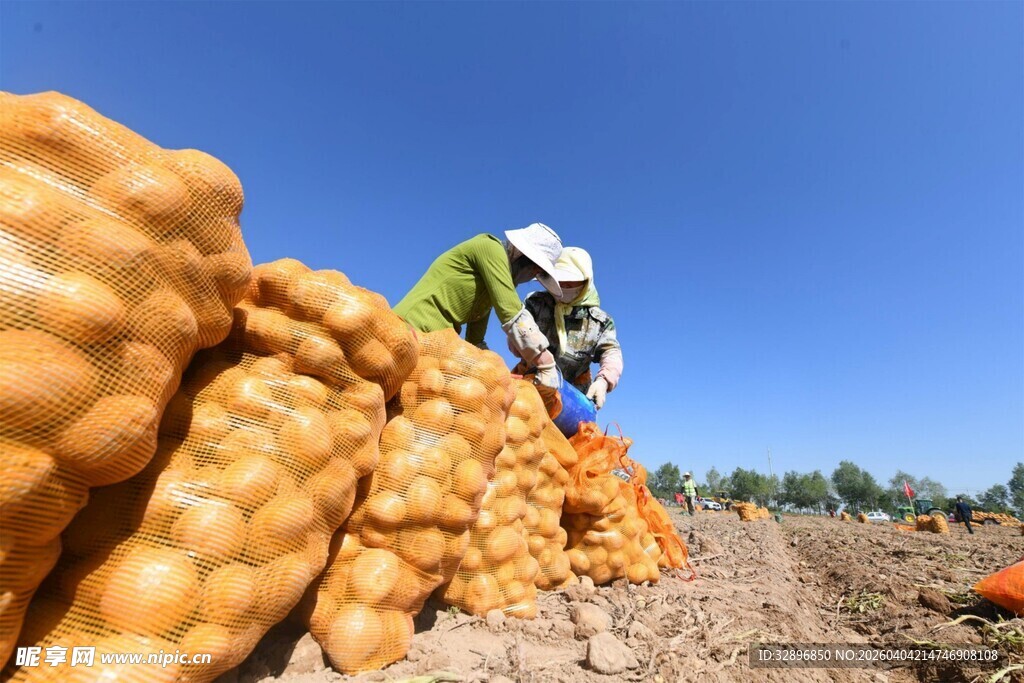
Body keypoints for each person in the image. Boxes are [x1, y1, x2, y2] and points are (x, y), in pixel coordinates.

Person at [394, 224, 565, 395]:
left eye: (538, 272)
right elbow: (511, 312)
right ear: (521, 253)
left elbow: (475, 341)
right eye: (535, 268)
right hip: (409, 330)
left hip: (433, 346)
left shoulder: (487, 289)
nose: (533, 274)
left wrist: (497, 370)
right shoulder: (490, 248)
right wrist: (545, 360)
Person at [518, 247, 623, 409]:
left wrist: (604, 381)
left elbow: (611, 353)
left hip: (573, 398)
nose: (564, 286)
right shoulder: (536, 304)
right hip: (529, 384)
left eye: (571, 282)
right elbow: (516, 332)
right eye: (561, 280)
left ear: (585, 282)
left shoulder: (600, 322)